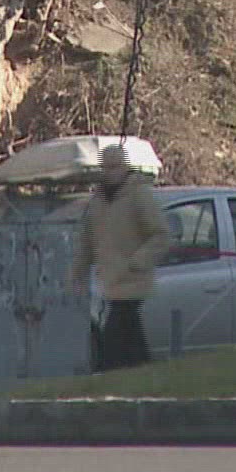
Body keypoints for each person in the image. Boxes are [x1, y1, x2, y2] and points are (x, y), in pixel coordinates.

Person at [69, 142, 169, 372]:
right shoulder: (97, 201)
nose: (109, 172)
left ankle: (113, 373)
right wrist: (77, 273)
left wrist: (138, 261)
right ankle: (142, 373)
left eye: (114, 167)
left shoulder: (139, 195)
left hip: (133, 281)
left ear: (124, 167)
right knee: (129, 340)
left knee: (115, 338)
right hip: (110, 282)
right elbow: (87, 241)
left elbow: (160, 235)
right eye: (106, 167)